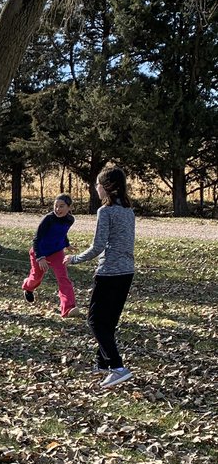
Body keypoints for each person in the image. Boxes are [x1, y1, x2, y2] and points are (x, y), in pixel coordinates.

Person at [67, 166, 135, 389]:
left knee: (95, 321)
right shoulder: (128, 210)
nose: (95, 187)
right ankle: (103, 364)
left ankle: (117, 367)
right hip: (127, 272)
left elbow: (97, 246)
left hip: (109, 273)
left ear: (107, 187)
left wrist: (74, 259)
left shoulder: (105, 212)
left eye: (97, 183)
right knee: (109, 322)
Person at [22, 194, 79, 318]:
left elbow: (62, 233)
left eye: (61, 206)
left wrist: (67, 245)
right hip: (40, 251)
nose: (58, 209)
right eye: (56, 206)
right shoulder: (48, 219)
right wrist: (40, 257)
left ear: (69, 207)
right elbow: (37, 239)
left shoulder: (70, 220)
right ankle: (27, 286)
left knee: (63, 279)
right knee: (36, 278)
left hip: (57, 253)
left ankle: (68, 309)